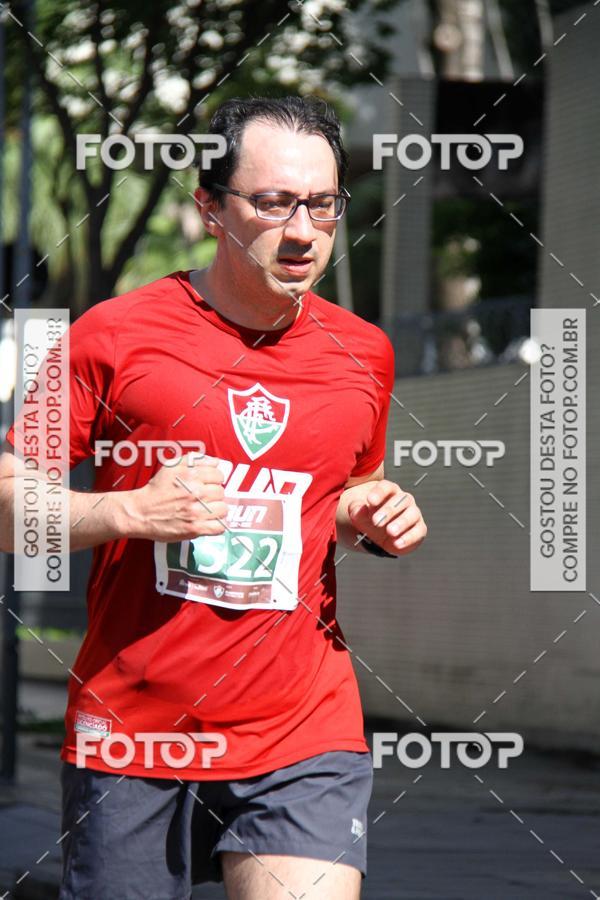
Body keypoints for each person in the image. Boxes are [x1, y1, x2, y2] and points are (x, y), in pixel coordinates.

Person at [0, 96, 427, 900]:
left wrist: (369, 514)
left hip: (303, 728)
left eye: (323, 204)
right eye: (271, 203)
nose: (302, 230)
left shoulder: (364, 353)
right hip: (137, 731)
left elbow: (341, 490)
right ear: (209, 208)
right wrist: (126, 511)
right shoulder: (107, 335)